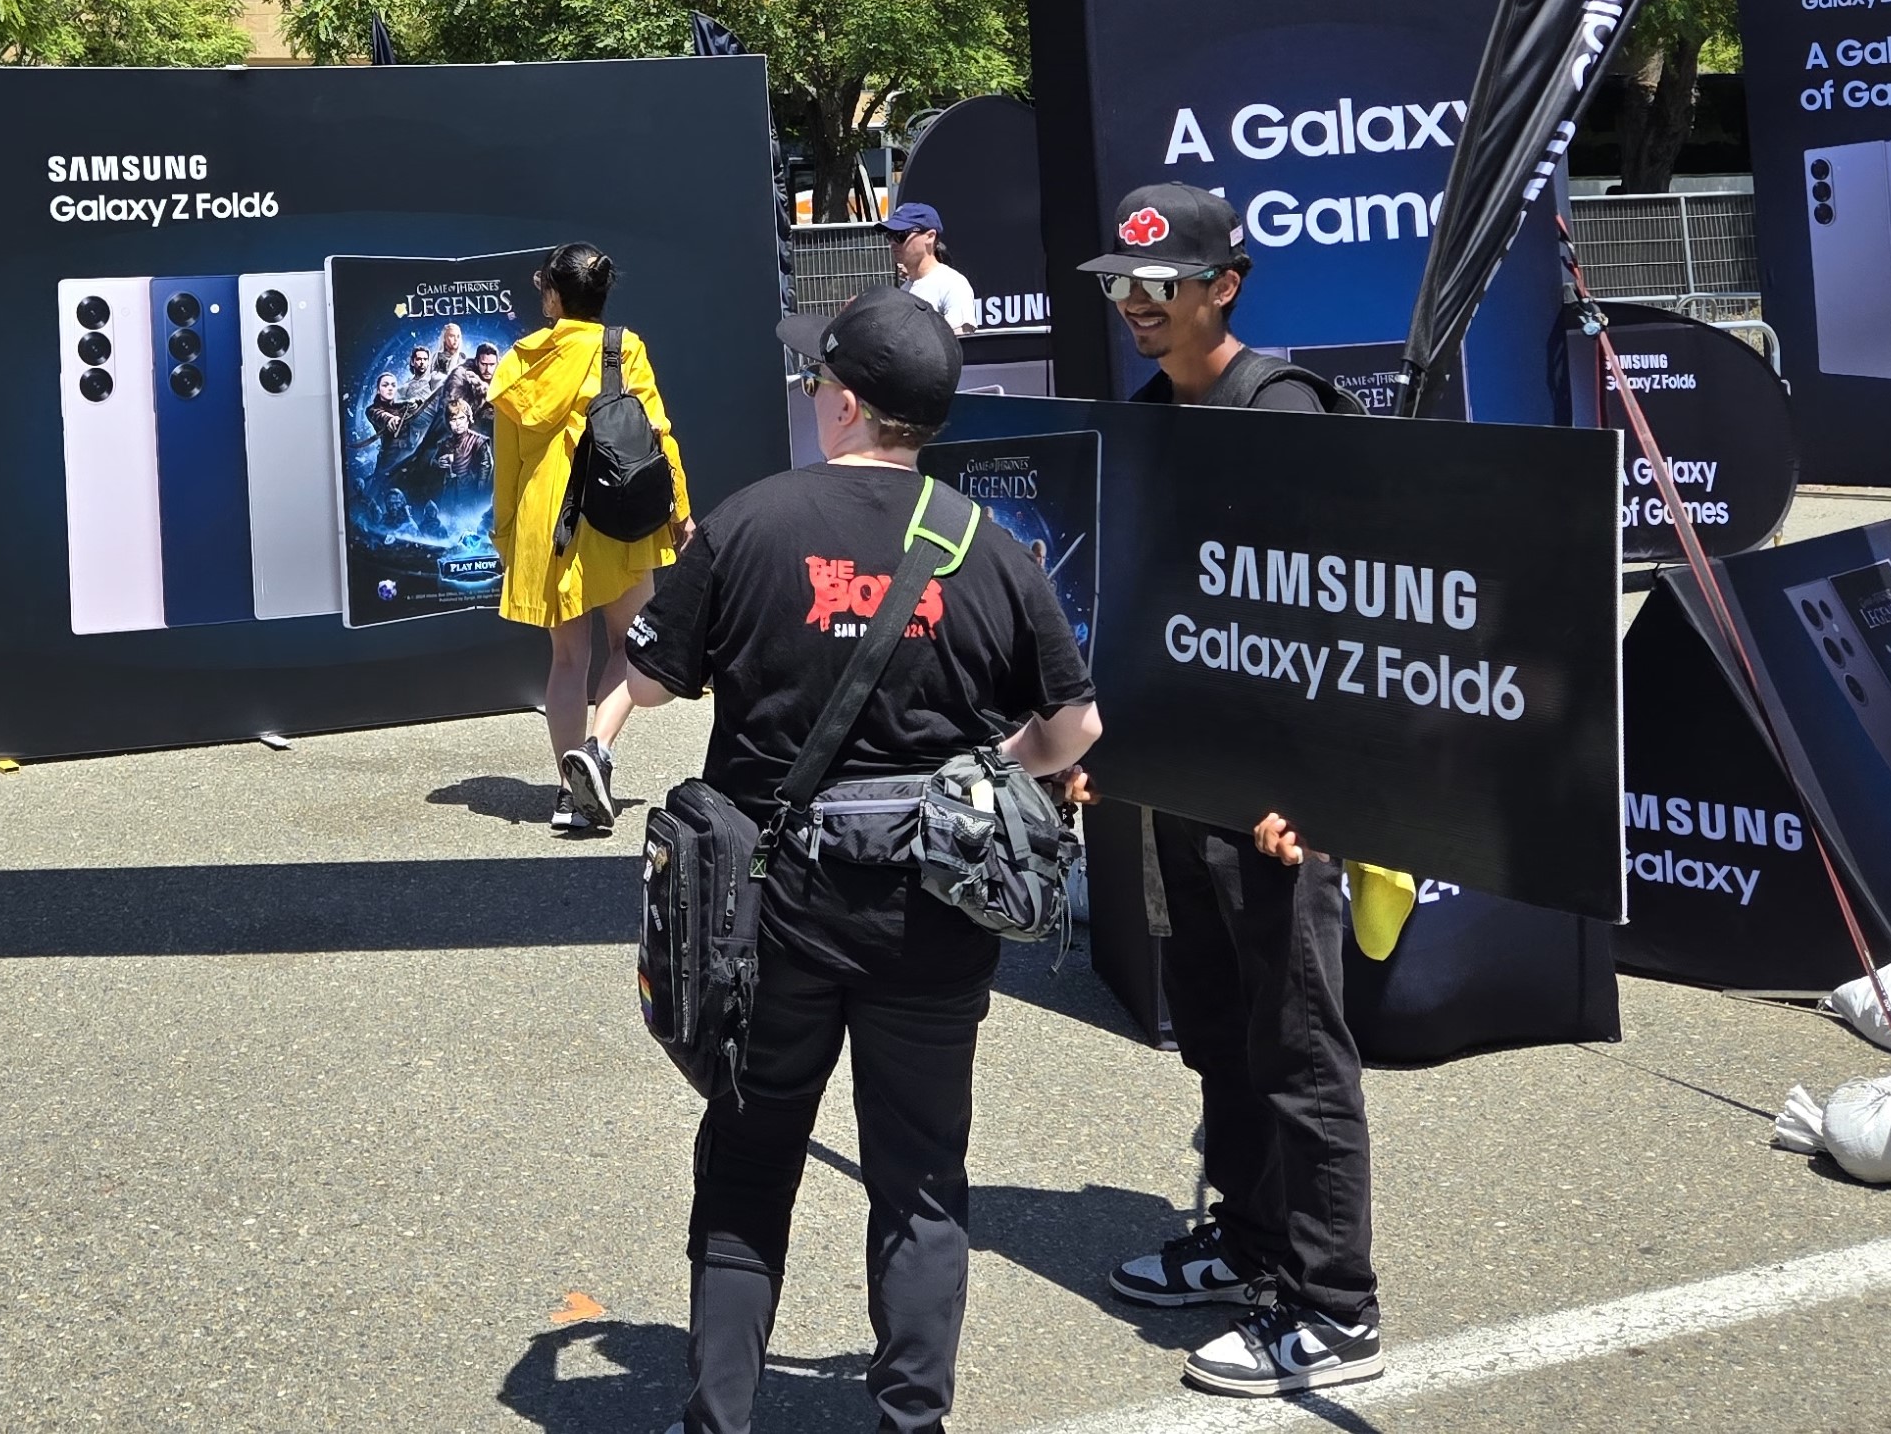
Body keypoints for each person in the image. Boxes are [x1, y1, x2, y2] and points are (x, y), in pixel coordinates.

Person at [614, 287, 1102, 1434]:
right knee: (922, 1181)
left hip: (766, 914)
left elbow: (644, 682)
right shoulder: (987, 546)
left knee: (748, 1160)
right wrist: (989, 770)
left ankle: (719, 1418)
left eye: (813, 384)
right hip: (930, 914)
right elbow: (1073, 732)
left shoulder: (750, 523)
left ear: (844, 402)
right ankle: (908, 1419)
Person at [1078, 182, 1383, 1397]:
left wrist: (1306, 786)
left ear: (1226, 286)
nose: (1136, 305)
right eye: (1122, 284)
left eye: (1159, 283)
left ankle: (1336, 1306)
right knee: (1215, 1030)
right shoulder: (1151, 415)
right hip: (1189, 790)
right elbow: (1160, 618)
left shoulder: (1283, 409)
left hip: (1280, 811)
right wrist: (1111, 748)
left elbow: (1346, 618)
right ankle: (1249, 1245)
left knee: (1300, 1050)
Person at [486, 243, 692, 836]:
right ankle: (596, 751)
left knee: (568, 659)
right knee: (632, 647)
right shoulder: (621, 348)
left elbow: (507, 464)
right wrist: (680, 509)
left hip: (550, 521)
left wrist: (508, 532)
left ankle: (569, 792)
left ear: (553, 295)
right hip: (616, 512)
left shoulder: (518, 363)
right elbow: (657, 434)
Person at [886, 201, 982, 335]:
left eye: (900, 235)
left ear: (930, 237)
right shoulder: (905, 289)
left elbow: (959, 345)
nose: (892, 243)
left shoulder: (952, 285)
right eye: (889, 235)